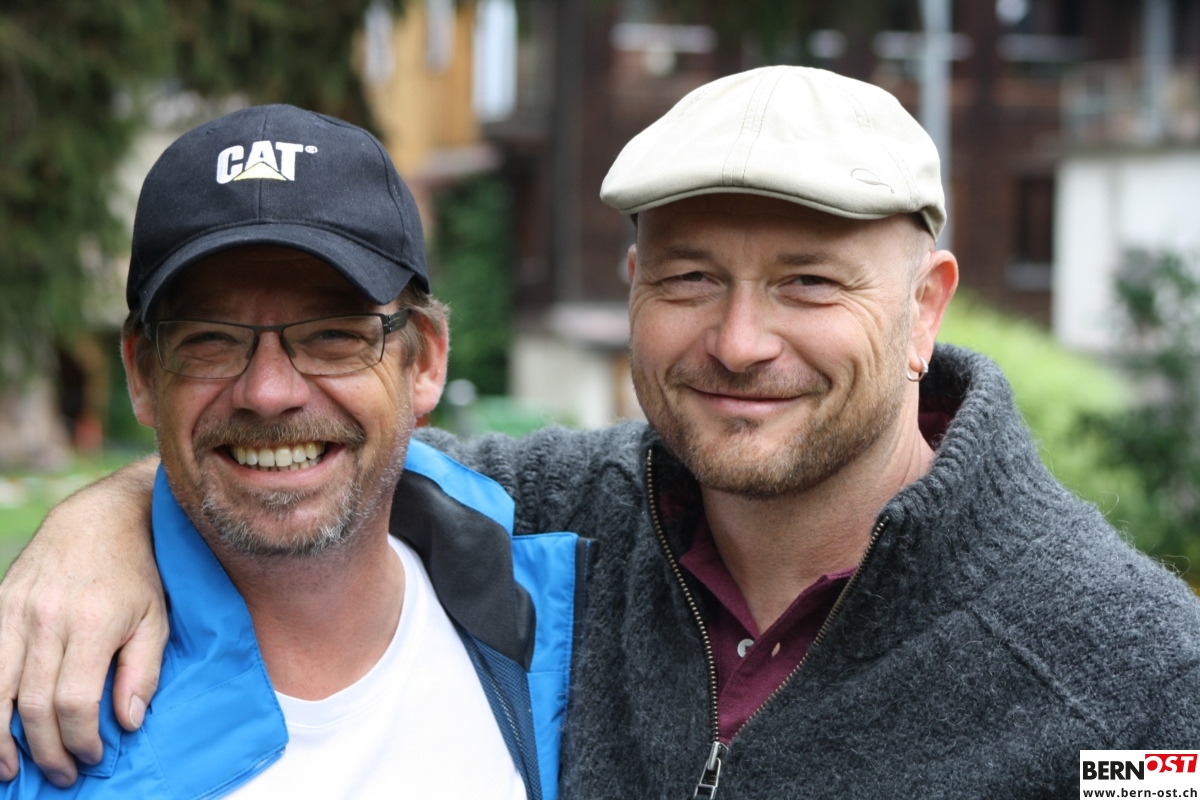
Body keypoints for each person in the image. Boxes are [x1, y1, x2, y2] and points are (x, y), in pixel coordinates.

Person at [5, 66, 1200, 798]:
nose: (740, 340)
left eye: (808, 281)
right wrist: (101, 516)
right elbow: (320, 458)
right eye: (689, 277)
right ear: (632, 287)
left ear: (925, 307)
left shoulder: (1136, 678)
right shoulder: (568, 520)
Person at [0, 104, 583, 798]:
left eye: (334, 335)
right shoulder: (32, 721)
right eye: (210, 339)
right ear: (143, 375)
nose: (269, 392)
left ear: (425, 362)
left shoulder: (571, 629)